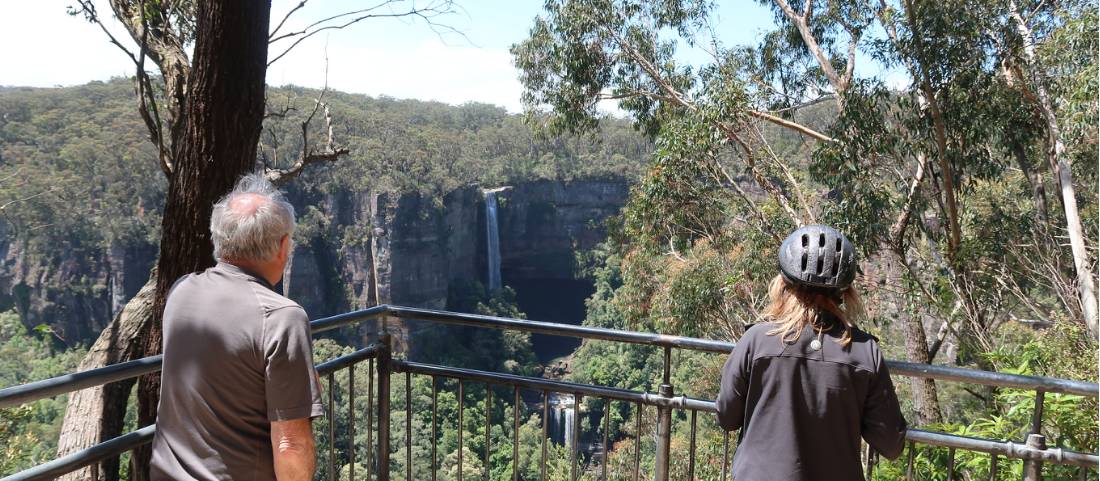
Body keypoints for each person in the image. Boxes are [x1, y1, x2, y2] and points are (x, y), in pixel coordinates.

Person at [151, 174, 323, 481]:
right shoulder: (282, 317)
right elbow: (290, 444)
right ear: (283, 246)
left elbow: (225, 373)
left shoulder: (180, 292)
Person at [715, 224, 907, 481]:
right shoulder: (865, 352)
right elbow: (890, 444)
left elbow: (727, 417)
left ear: (782, 284)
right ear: (846, 292)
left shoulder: (756, 340)